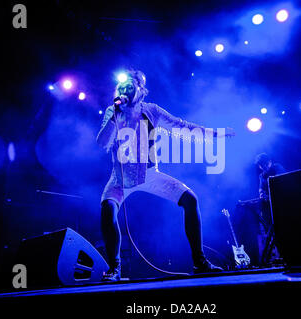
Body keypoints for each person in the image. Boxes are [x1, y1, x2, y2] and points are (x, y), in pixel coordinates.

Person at [96, 70, 232, 281]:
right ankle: (115, 268)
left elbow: (183, 127)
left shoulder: (151, 110)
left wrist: (215, 134)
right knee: (107, 209)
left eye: (131, 86)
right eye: (123, 86)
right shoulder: (112, 112)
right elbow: (102, 143)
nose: (126, 90)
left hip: (149, 174)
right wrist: (114, 117)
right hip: (120, 179)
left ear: (141, 91)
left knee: (190, 199)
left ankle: (200, 261)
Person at [254, 153, 286, 265]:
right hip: (270, 206)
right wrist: (262, 194)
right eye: (261, 165)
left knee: (283, 229)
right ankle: (281, 255)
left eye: (265, 164)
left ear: (269, 162)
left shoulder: (277, 167)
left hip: (282, 204)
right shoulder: (261, 176)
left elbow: (281, 181)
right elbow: (261, 190)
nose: (263, 167)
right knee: (273, 232)